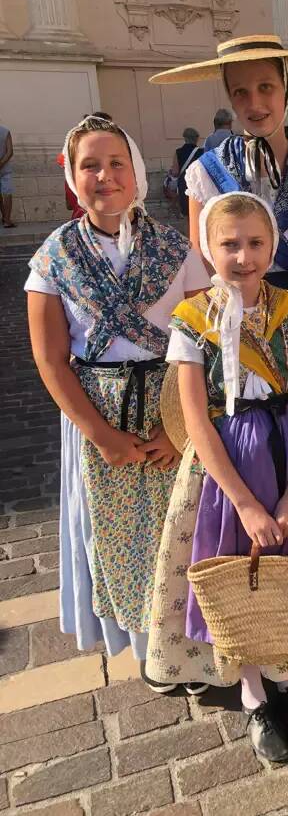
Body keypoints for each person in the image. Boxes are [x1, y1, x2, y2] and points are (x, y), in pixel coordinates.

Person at [147, 191, 288, 762]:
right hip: (227, 472)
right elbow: (194, 417)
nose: (243, 255)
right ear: (207, 249)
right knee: (240, 575)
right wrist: (244, 503)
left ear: (274, 244)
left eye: (255, 242)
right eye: (228, 244)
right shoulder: (189, 322)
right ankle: (255, 692)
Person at [25, 115, 210, 689]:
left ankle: (192, 641)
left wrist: (179, 431)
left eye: (116, 163)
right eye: (90, 165)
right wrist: (100, 435)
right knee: (120, 537)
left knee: (182, 526)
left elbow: (202, 338)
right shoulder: (52, 259)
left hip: (172, 405)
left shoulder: (175, 249)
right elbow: (52, 360)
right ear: (72, 177)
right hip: (98, 411)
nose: (104, 176)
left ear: (135, 173)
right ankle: (148, 646)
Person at [150, 34, 288, 312]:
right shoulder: (206, 173)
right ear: (230, 96)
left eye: (266, 87)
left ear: (286, 88)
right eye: (241, 92)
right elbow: (200, 265)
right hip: (233, 315)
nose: (254, 103)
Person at [171, 128, 204, 218]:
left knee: (187, 213)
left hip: (184, 184)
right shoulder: (202, 151)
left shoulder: (178, 152)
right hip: (198, 185)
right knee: (198, 211)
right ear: (197, 139)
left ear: (185, 138)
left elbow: (175, 172)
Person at [0, 122, 14, 228]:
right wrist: (1, 163)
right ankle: (7, 219)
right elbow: (10, 152)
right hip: (5, 168)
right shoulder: (5, 131)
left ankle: (5, 217)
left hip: (4, 169)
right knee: (7, 194)